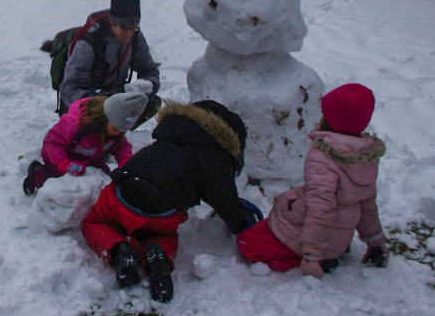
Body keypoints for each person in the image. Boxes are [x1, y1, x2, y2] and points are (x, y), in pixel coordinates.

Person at [81, 100, 262, 303]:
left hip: (124, 193)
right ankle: (157, 252)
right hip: (160, 212)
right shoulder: (216, 160)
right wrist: (242, 223)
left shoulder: (171, 132)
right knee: (163, 235)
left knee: (93, 222)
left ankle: (117, 250)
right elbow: (225, 201)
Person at [236, 83, 389, 277]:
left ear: (332, 118)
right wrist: (376, 243)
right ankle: (325, 253)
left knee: (246, 243)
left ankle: (310, 259)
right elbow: (367, 205)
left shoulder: (324, 156)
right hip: (336, 238)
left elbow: (321, 209)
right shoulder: (366, 157)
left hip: (315, 241)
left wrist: (311, 257)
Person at [59, 0, 161, 126]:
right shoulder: (89, 42)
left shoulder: (135, 36)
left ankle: (117, 134)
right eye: (124, 29)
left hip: (116, 96)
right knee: (97, 121)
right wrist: (96, 100)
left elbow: (149, 70)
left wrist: (148, 86)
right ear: (112, 23)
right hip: (88, 102)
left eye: (134, 28)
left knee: (152, 103)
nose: (129, 34)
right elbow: (69, 88)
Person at [23, 92, 149, 196]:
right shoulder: (76, 124)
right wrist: (65, 164)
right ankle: (36, 173)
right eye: (116, 129)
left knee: (105, 180)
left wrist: (125, 165)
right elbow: (51, 143)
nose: (117, 134)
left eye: (121, 132)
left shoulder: (114, 131)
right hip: (63, 158)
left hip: (90, 159)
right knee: (53, 177)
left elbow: (122, 147)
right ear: (106, 118)